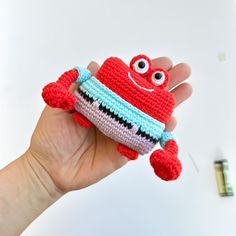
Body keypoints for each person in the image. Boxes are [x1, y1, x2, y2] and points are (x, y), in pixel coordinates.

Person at [0, 57, 192, 235]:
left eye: (155, 77)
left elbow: (78, 73)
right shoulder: (118, 70)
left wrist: (170, 156)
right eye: (141, 67)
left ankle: (123, 142)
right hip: (90, 119)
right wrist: (40, 172)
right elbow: (78, 73)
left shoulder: (155, 95)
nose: (142, 79)